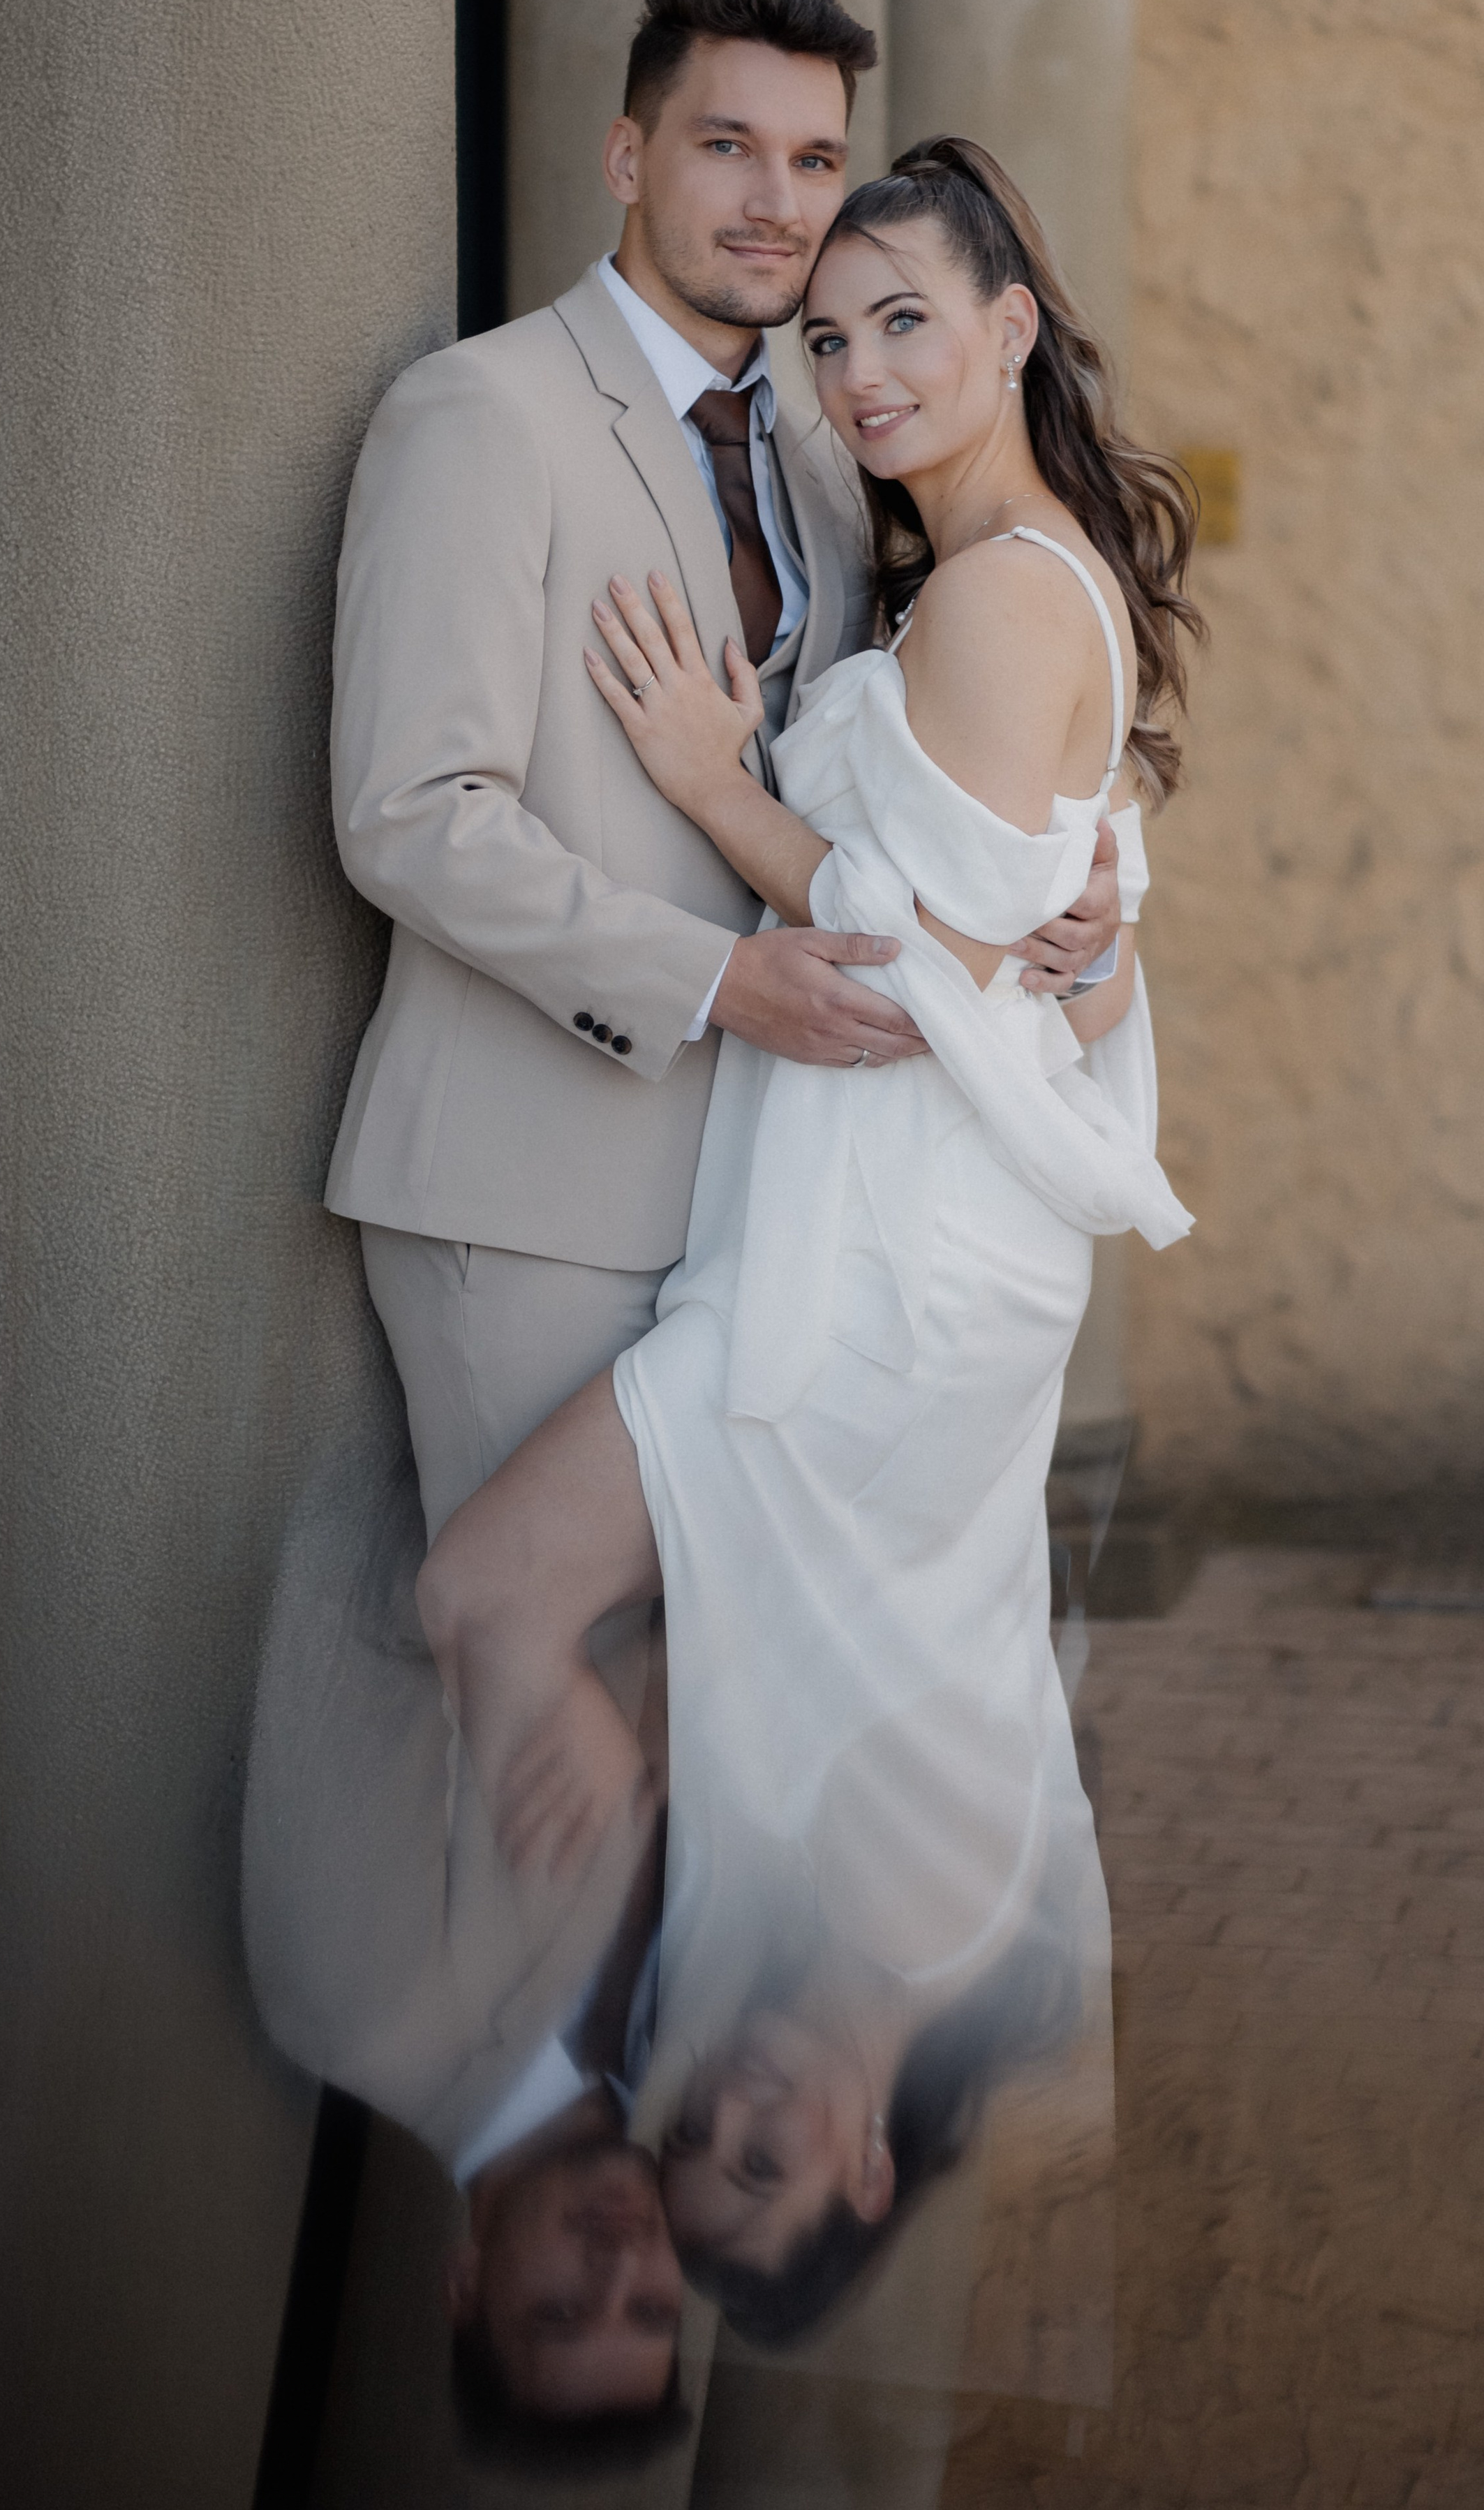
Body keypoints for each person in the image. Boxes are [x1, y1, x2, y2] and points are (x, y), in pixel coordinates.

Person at [413, 133, 1197, 2356]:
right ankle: (609, 1776)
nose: (858, 376)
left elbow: (913, 960)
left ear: (1013, 329)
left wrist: (704, 775)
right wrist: (1073, 934)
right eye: (832, 338)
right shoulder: (988, 581)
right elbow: (1011, 939)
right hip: (872, 1246)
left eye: (905, 325)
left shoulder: (1004, 590)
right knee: (562, 1613)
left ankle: (597, 1781)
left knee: (507, 1597)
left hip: (884, 1272)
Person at [324, 0, 1122, 1558]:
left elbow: (901, 794)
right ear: (628, 158)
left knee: (695, 1683)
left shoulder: (837, 452)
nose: (776, 202)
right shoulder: (479, 413)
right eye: (726, 147)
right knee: (513, 1653)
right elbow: (410, 815)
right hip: (531, 1185)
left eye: (814, 160)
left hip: (770, 1196)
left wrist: (1069, 902)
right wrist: (714, 984)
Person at [241, 1446, 691, 2466]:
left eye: (563, 2309)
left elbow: (351, 1566)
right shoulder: (684, 2053)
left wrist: (531, 1656)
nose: (620, 2264)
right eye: (652, 2308)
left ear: (465, 2283)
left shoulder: (361, 2008)